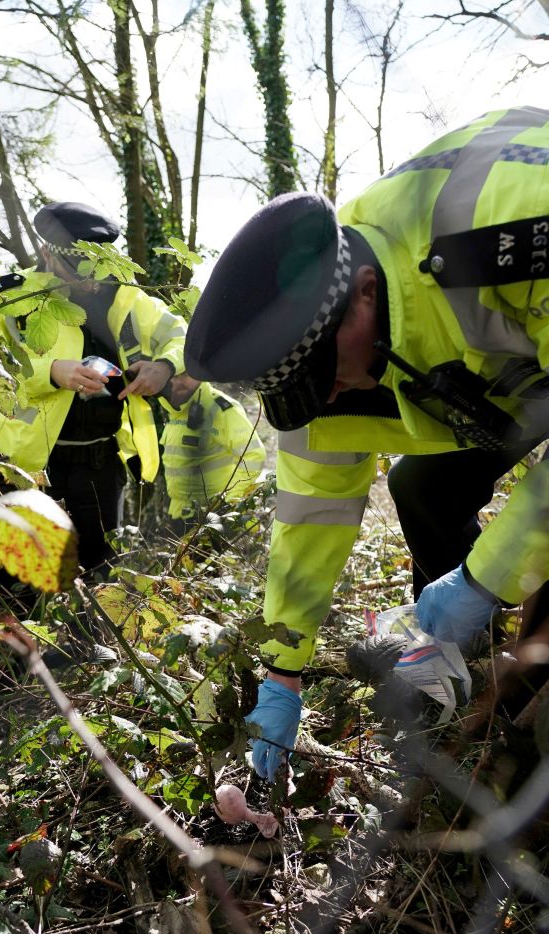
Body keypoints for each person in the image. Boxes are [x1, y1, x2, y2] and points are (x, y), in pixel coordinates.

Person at [184, 106, 549, 780]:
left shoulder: (514, 217)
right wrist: (281, 672)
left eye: (328, 377)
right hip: (498, 381)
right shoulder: (318, 361)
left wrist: (484, 577)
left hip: (526, 323)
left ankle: (523, 677)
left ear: (365, 292)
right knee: (421, 486)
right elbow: (309, 520)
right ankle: (456, 666)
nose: (328, 399)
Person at [0, 201, 186, 573]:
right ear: (47, 252)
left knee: (97, 574)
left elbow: (180, 334)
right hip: (27, 468)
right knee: (23, 578)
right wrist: (50, 372)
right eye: (79, 272)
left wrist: (165, 366)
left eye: (96, 270)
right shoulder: (3, 297)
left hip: (101, 466)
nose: (90, 282)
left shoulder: (125, 298)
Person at [161, 373, 266, 533]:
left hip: (214, 516)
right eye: (172, 375)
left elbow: (253, 455)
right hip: (178, 513)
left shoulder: (221, 408)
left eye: (182, 374)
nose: (176, 381)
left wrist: (228, 501)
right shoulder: (173, 407)